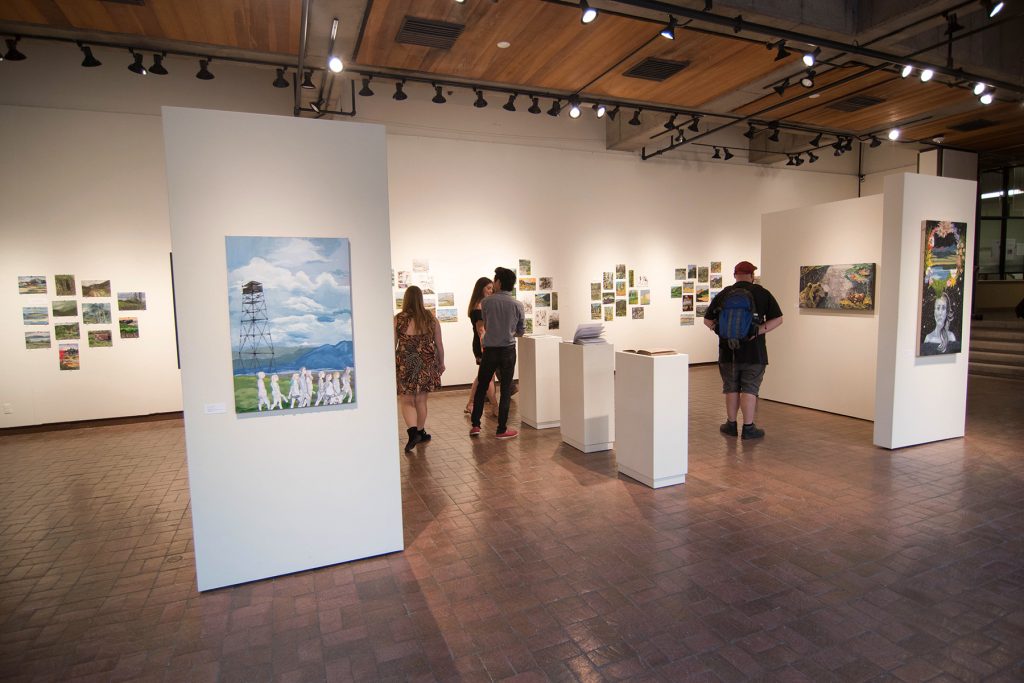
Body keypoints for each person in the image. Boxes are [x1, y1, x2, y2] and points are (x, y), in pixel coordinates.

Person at [704, 261, 783, 440]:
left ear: (734, 275)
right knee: (750, 388)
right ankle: (748, 427)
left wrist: (721, 331)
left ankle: (731, 424)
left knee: (730, 387)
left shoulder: (724, 294)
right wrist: (756, 331)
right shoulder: (762, 293)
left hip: (727, 351)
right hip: (754, 352)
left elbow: (707, 320)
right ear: (752, 276)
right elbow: (778, 319)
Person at [470, 267, 525, 439]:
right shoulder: (517, 305)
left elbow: (486, 325)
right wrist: (509, 332)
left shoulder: (487, 303)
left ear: (499, 282)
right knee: (506, 388)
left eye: (495, 280)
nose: (493, 283)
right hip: (508, 350)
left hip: (490, 350)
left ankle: (476, 425)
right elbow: (521, 331)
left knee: (482, 387)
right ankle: (501, 429)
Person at [395, 285, 445, 452]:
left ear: (406, 299)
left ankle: (413, 433)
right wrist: (441, 363)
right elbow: (439, 345)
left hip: (405, 364)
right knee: (421, 400)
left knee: (406, 400)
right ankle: (420, 431)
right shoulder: (431, 319)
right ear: (421, 299)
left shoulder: (398, 319)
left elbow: (392, 344)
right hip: (425, 363)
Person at [465, 276, 497, 416]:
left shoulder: (482, 305)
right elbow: (481, 331)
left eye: (492, 288)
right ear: (481, 289)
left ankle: (470, 403)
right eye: (488, 288)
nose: (491, 291)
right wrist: (485, 350)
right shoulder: (478, 307)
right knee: (488, 376)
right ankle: (495, 406)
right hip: (483, 346)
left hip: (487, 344)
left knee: (483, 376)